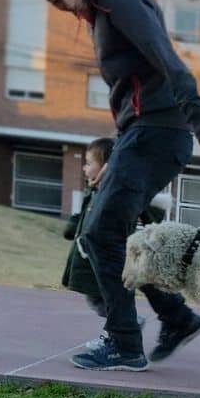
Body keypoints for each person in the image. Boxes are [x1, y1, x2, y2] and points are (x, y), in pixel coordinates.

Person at [24, 0, 200, 372]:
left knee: (101, 234)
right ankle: (175, 318)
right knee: (116, 231)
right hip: (142, 135)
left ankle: (124, 343)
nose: (67, 4)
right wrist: (117, 155)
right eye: (54, 0)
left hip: (158, 133)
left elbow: (171, 64)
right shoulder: (102, 10)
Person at [62, 138, 148, 345]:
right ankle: (122, 328)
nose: (84, 167)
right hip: (90, 260)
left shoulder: (109, 195)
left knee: (105, 302)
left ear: (106, 167)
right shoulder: (94, 192)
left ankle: (123, 329)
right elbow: (82, 218)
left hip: (101, 262)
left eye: (89, 163)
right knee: (100, 301)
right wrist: (72, 227)